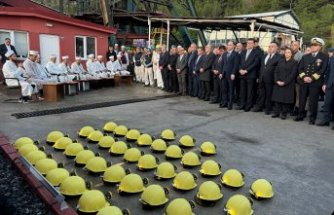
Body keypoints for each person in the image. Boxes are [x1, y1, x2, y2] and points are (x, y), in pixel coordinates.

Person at [294, 38, 329, 124]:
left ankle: (312, 117)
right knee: (302, 99)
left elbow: (322, 69)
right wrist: (304, 77)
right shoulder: (305, 56)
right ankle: (301, 115)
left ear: (320, 47)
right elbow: (300, 68)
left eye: (315, 45)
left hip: (315, 82)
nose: (312, 47)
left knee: (313, 101)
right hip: (304, 81)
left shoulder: (323, 57)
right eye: (312, 45)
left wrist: (312, 78)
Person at [252, 41, 282, 114]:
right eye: (269, 46)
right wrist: (259, 76)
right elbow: (261, 67)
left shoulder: (279, 57)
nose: (270, 48)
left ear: (276, 48)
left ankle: (268, 108)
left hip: (271, 79)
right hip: (262, 78)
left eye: (272, 46)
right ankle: (260, 106)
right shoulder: (265, 56)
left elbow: (278, 69)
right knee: (261, 93)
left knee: (269, 94)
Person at [271, 47, 298, 119]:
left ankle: (284, 114)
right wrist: (277, 80)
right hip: (278, 82)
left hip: (288, 84)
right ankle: (276, 113)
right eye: (286, 52)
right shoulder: (280, 61)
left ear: (291, 54)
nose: (287, 54)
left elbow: (293, 74)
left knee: (286, 100)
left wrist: (285, 82)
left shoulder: (294, 62)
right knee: (277, 99)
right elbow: (276, 71)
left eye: (289, 52)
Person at [238, 38, 261, 111]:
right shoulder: (243, 52)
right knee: (242, 91)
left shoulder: (257, 52)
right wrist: (240, 69)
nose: (249, 44)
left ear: (254, 44)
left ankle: (248, 106)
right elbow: (239, 62)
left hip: (250, 75)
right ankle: (242, 105)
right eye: (248, 43)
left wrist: (246, 70)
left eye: (251, 43)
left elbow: (255, 63)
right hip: (242, 74)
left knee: (249, 91)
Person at [317, 48, 334, 129]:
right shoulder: (332, 59)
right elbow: (328, 72)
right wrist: (324, 84)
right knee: (327, 103)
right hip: (330, 84)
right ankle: (325, 120)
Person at [221, 41, 240, 109]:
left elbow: (236, 65)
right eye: (228, 45)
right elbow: (222, 65)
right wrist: (221, 73)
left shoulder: (236, 54)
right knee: (224, 89)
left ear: (233, 46)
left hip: (231, 75)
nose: (228, 46)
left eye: (230, 45)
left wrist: (233, 73)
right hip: (224, 74)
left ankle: (230, 104)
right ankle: (224, 103)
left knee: (231, 90)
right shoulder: (224, 54)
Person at [291, 41, 303, 116]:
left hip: (296, 79)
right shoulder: (289, 53)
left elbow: (300, 68)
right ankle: (290, 108)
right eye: (292, 45)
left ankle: (296, 109)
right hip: (289, 79)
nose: (293, 46)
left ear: (298, 46)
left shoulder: (301, 56)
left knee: (297, 95)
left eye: (295, 45)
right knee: (291, 94)